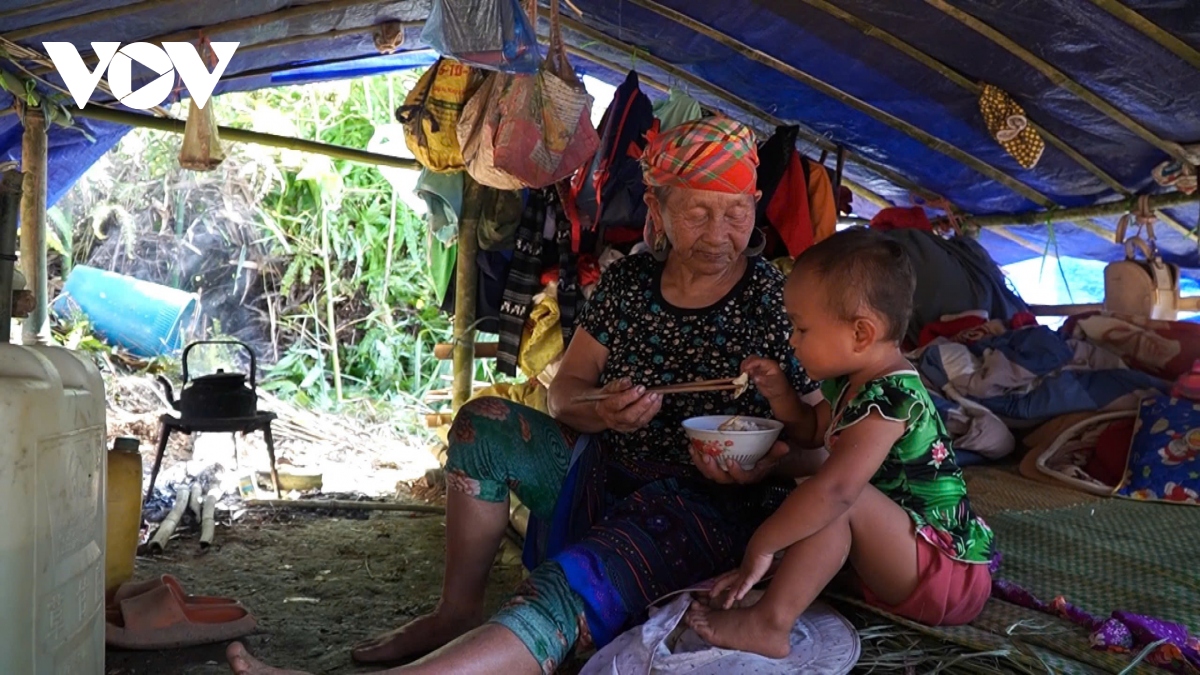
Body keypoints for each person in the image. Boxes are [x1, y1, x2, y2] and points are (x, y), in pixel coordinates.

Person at [226, 116, 821, 675]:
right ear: (657, 209)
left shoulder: (777, 299)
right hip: (607, 471)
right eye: (698, 213)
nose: (720, 235)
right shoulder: (628, 284)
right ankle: (455, 612)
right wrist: (603, 410)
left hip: (706, 507)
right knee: (480, 423)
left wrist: (766, 465)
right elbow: (564, 397)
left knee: (569, 584)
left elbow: (821, 449)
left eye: (736, 213)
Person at [684, 227, 995, 658]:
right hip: (908, 556)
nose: (792, 342)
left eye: (801, 329)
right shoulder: (853, 385)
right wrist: (780, 395)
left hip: (942, 573)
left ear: (861, 334)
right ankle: (780, 596)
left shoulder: (890, 399)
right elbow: (813, 431)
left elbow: (836, 491)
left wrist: (765, 543)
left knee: (834, 496)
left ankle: (769, 623)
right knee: (824, 497)